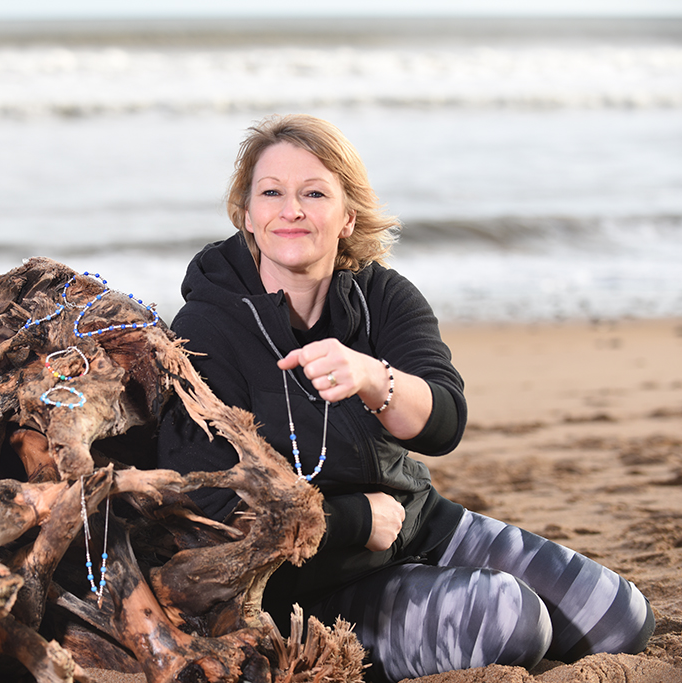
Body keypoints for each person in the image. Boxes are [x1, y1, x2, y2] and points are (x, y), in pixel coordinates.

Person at [156, 114, 654, 681]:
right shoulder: (206, 328)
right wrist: (350, 519)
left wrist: (372, 377)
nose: (290, 209)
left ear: (347, 216)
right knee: (513, 622)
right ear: (247, 213)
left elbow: (444, 422)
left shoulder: (381, 296)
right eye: (271, 192)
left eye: (314, 192)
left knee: (621, 620)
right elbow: (203, 508)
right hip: (303, 582)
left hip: (416, 524)